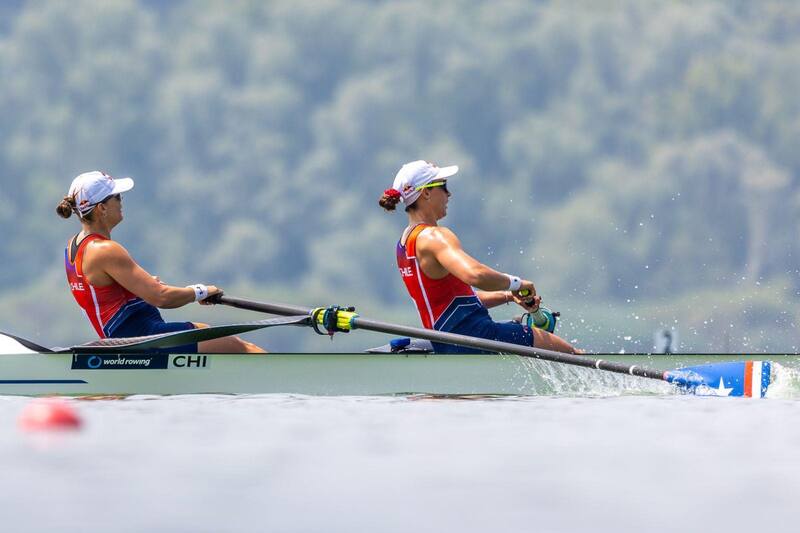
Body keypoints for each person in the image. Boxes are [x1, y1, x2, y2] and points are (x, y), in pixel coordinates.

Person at [379, 160, 580, 354]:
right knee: (570, 353)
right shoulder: (435, 237)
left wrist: (508, 296)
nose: (449, 193)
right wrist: (517, 284)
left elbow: (456, 301)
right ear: (426, 192)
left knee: (517, 323)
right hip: (475, 337)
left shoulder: (404, 245)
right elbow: (476, 275)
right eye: (444, 185)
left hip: (448, 343)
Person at [56, 171, 264, 353]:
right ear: (101, 208)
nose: (122, 201)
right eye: (117, 197)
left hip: (127, 341)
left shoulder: (73, 247)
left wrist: (138, 289)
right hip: (145, 341)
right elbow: (162, 298)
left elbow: (103, 296)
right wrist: (201, 291)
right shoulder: (105, 250)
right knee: (242, 348)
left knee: (213, 336)